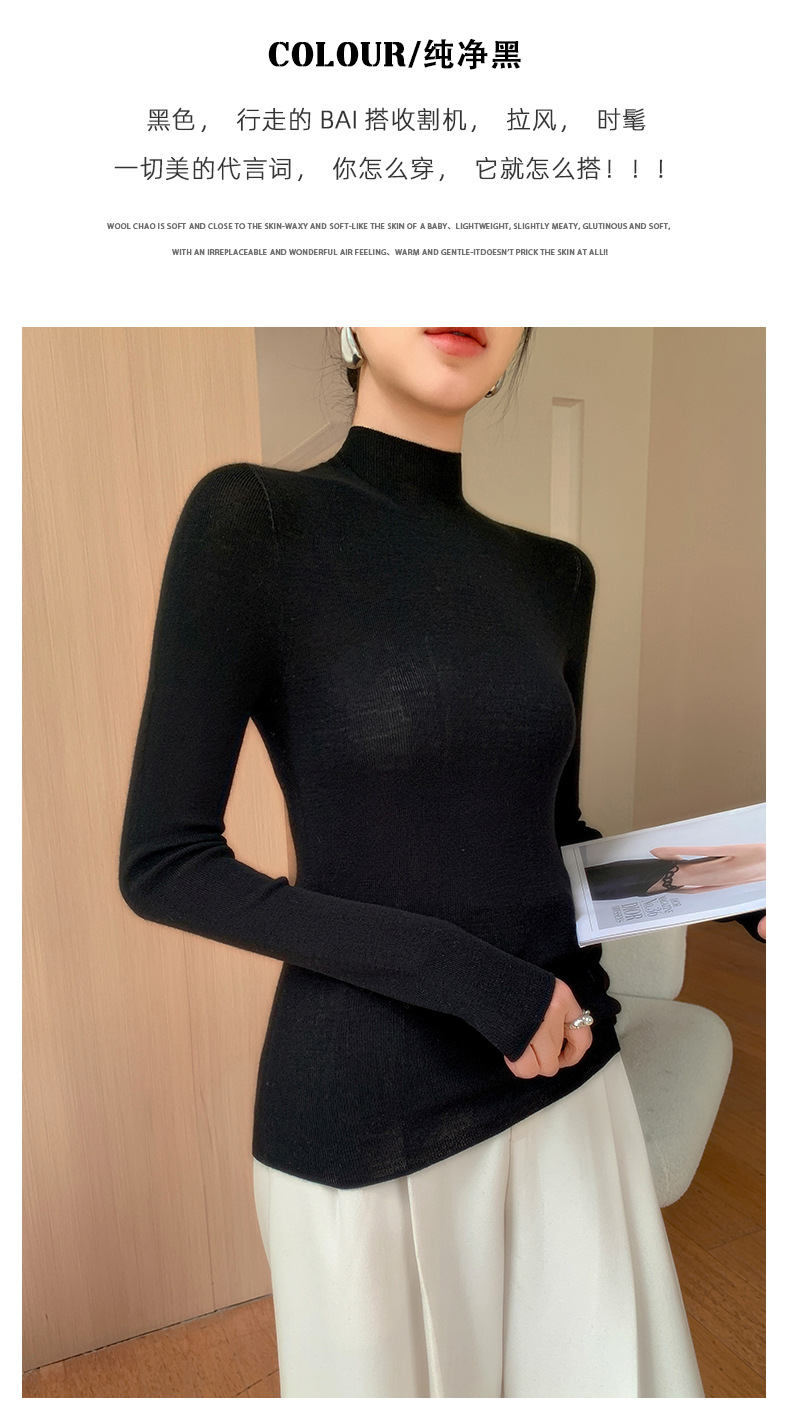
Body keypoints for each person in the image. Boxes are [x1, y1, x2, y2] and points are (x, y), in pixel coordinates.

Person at [118, 327, 760, 1398]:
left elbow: (548, 834)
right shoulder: (254, 520)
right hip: (372, 1118)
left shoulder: (556, 576)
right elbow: (165, 862)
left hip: (563, 1074)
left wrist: (736, 877)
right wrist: (474, 982)